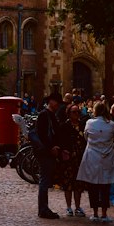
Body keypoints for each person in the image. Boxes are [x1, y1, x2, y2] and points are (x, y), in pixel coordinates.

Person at [77, 99, 114, 222]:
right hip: (106, 156)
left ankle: (95, 213)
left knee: (93, 186)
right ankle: (104, 213)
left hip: (92, 156)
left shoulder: (90, 123)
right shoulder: (111, 124)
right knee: (105, 186)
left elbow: (86, 136)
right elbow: (113, 137)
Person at [29, 90, 65, 219]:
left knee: (45, 180)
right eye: (58, 103)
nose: (59, 106)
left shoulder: (51, 115)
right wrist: (51, 148)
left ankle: (44, 208)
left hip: (48, 151)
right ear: (52, 102)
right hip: (45, 152)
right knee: (44, 180)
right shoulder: (45, 115)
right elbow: (43, 134)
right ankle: (43, 209)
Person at [58, 103, 87, 216]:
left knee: (78, 184)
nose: (76, 114)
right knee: (68, 183)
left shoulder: (82, 125)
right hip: (69, 158)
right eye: (74, 112)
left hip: (80, 158)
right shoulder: (64, 126)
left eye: (78, 112)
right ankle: (69, 207)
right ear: (69, 114)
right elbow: (61, 141)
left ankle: (78, 206)